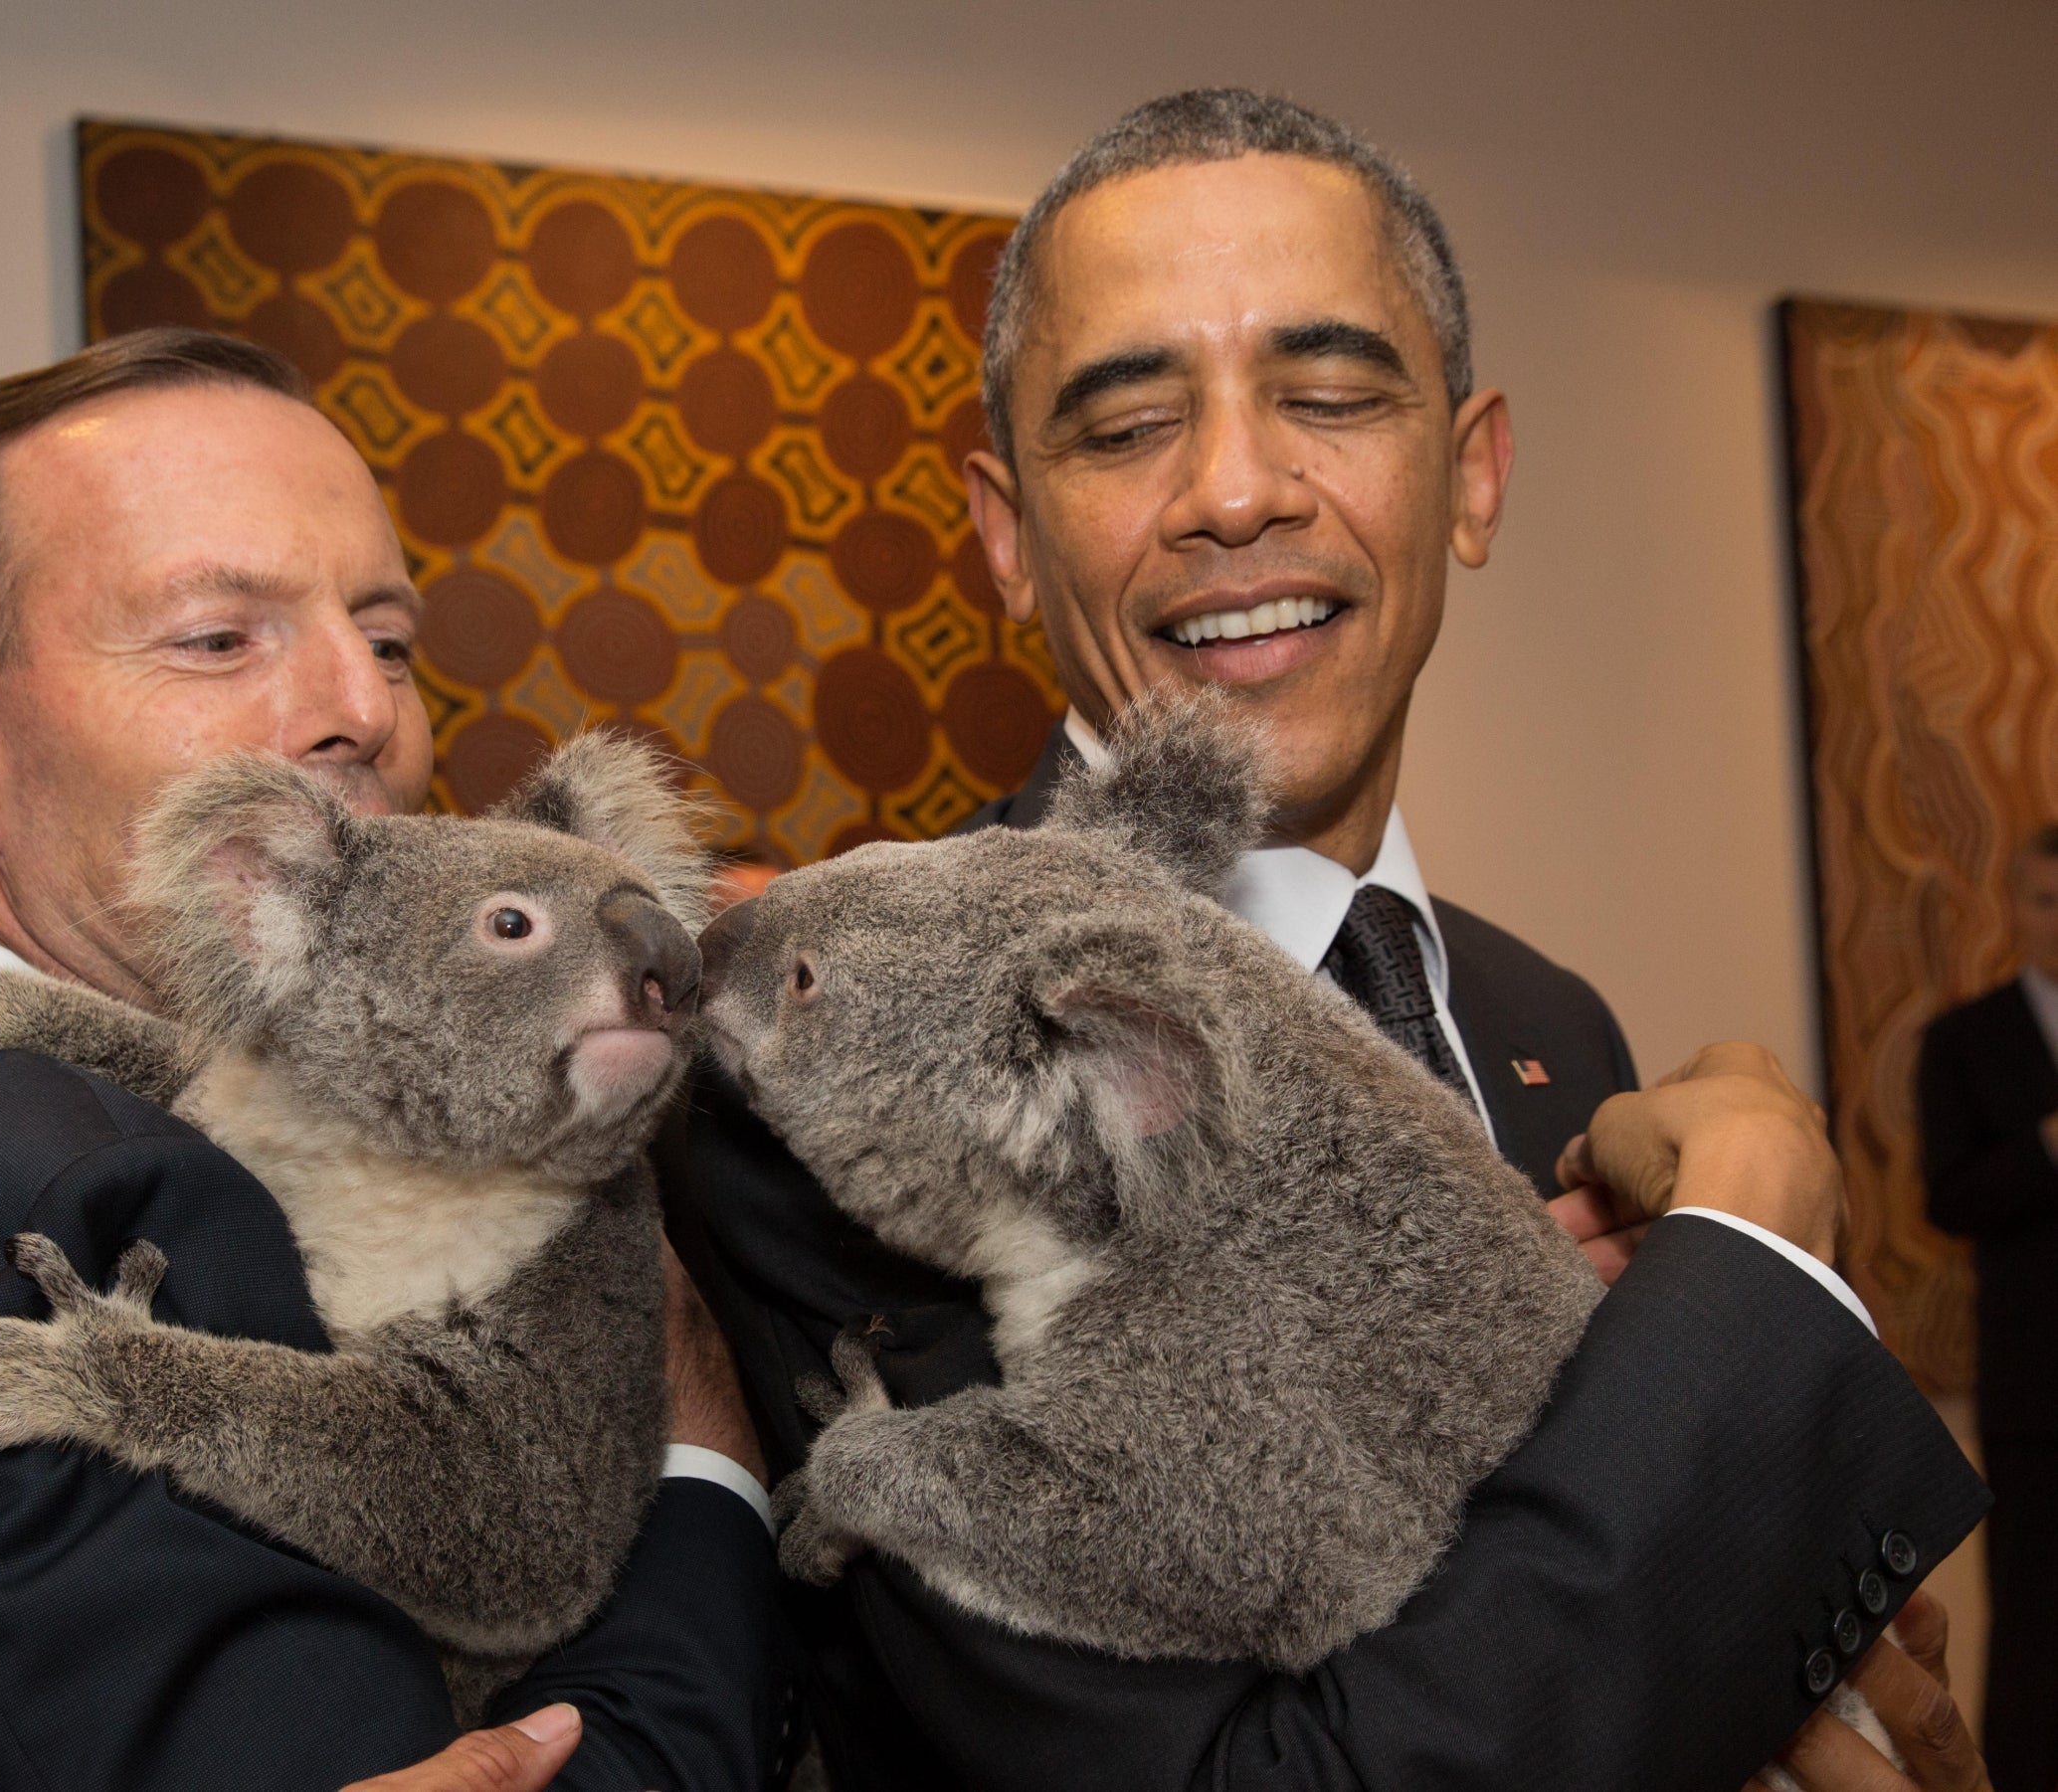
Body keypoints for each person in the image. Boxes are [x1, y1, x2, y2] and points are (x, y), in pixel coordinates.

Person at [658, 89, 1989, 1791]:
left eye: (1335, 393)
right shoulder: (842, 1067)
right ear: (1007, 531)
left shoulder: (1542, 1018)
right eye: (1128, 426)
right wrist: (1756, 1250)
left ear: (1474, 471)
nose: (1234, 490)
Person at [0, 330, 784, 1791]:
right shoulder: (101, 1195)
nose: (363, 707)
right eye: (216, 636)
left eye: (386, 643)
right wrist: (707, 1462)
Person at [1920, 819, 2058, 1792]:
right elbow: (1949, 1196)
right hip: (2036, 1389)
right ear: (2012, 907)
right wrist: (2047, 1143)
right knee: (2035, 1626)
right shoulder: (1965, 1038)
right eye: (2047, 898)